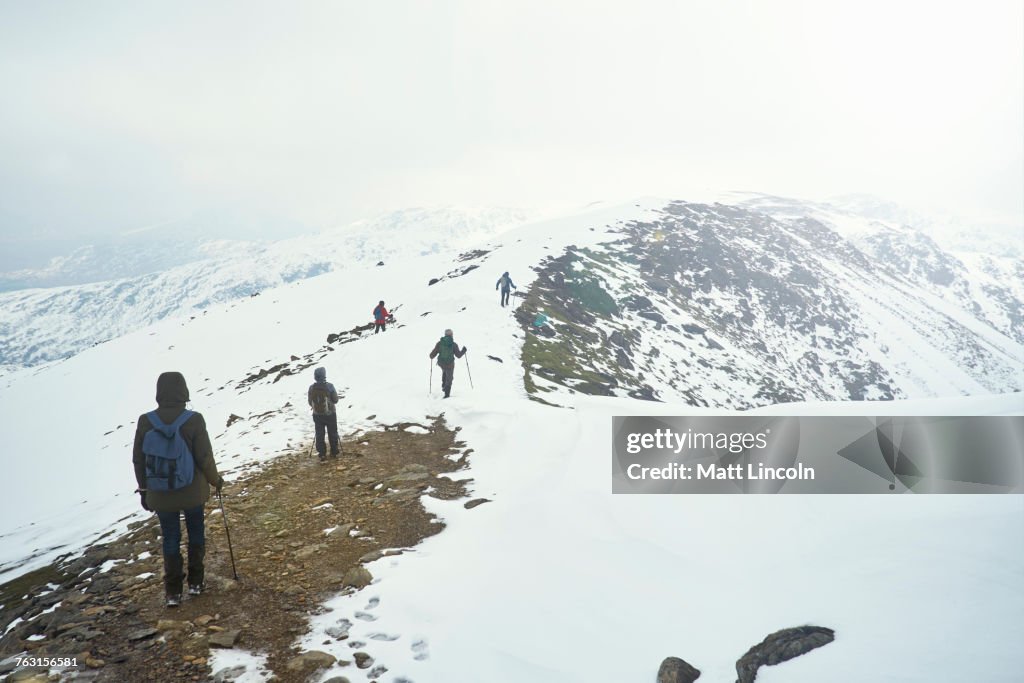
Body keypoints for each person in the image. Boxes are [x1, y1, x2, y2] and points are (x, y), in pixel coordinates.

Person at [133, 371, 223, 607]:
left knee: (170, 537)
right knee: (195, 532)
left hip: (160, 494)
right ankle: (196, 582)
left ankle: (173, 592)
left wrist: (144, 490)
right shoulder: (193, 419)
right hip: (192, 491)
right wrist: (216, 481)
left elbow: (138, 460)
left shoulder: (146, 421)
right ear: (183, 391)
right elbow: (204, 456)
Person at [308, 366, 340, 460]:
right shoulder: (330, 386)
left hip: (317, 415)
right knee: (333, 432)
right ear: (324, 375)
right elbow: (335, 400)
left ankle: (322, 454)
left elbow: (310, 402)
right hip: (330, 414)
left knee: (319, 434)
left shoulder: (312, 387)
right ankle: (334, 452)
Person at [429, 328, 467, 398]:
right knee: (449, 378)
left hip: (441, 363)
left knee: (444, 371)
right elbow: (458, 355)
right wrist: (464, 351)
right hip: (450, 364)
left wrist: (431, 356)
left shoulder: (440, 343)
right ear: (452, 335)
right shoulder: (454, 344)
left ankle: (443, 385)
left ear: (445, 335)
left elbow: (432, 355)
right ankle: (446, 395)